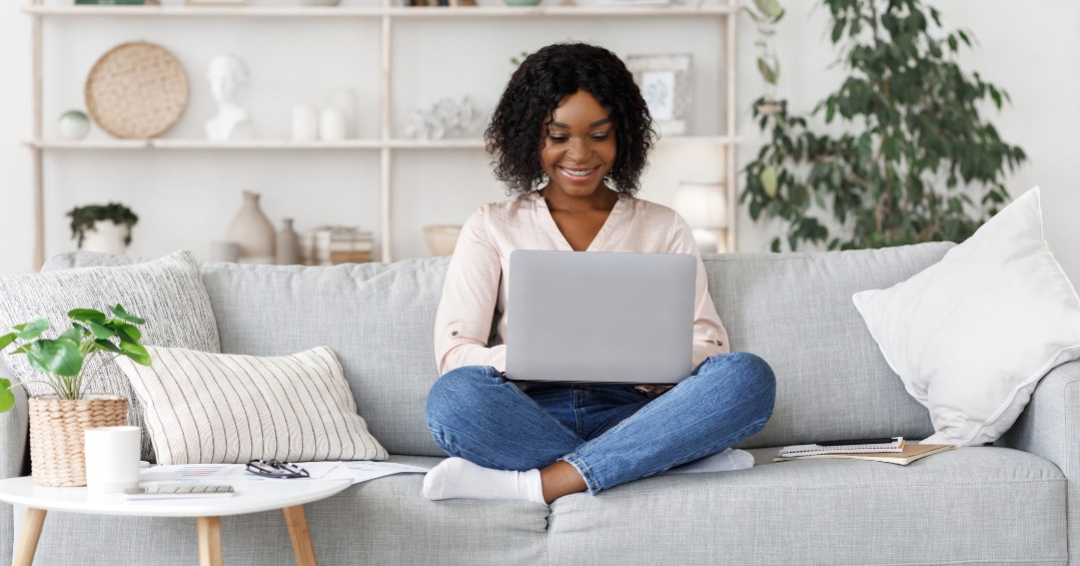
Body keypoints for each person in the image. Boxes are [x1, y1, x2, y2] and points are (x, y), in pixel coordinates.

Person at [423, 43, 776, 505]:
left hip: (638, 411)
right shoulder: (492, 224)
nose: (580, 153)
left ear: (622, 135)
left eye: (598, 134)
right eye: (559, 135)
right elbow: (454, 354)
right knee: (453, 399)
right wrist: (521, 358)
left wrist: (656, 366)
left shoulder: (663, 225)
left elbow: (711, 345)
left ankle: (547, 482)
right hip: (529, 411)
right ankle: (661, 461)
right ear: (531, 135)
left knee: (747, 378)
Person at [204, 54, 252, 141]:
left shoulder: (241, 119)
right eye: (216, 78)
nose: (220, 85)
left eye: (227, 79)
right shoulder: (211, 124)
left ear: (238, 82)